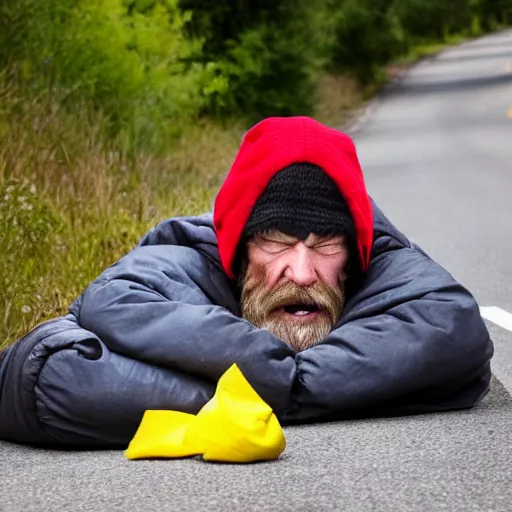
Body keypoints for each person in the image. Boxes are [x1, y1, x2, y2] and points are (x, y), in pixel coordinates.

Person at [0, 116, 493, 448]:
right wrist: (295, 384)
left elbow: (451, 326)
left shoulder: (383, 265)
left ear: (352, 257)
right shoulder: (185, 259)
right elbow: (50, 372)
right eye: (275, 242)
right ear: (236, 250)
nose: (301, 273)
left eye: (325, 245)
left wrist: (267, 391)